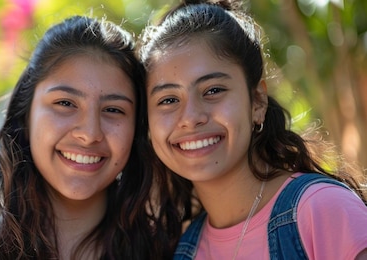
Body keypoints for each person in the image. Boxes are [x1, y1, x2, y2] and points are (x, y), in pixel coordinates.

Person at [0, 15, 181, 259]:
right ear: (27, 113)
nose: (90, 134)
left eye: (113, 110)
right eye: (65, 103)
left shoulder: (175, 253)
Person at [138, 0, 367, 259]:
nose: (190, 118)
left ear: (257, 101)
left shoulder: (320, 210)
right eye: (168, 100)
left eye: (213, 90)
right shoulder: (183, 249)